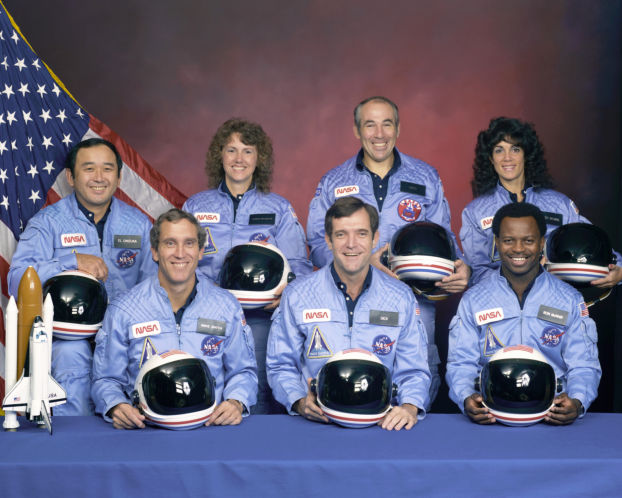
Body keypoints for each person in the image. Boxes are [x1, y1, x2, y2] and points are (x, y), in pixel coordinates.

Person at [306, 96, 468, 406]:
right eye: (370, 125)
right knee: (355, 387)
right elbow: (316, 245)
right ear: (357, 130)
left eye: (387, 124)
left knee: (414, 391)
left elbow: (446, 241)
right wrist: (362, 264)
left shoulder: (426, 177)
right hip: (349, 303)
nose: (379, 134)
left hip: (415, 302)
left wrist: (461, 269)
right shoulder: (333, 181)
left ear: (398, 128)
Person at [7, 138, 155, 415]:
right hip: (68, 337)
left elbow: (154, 287)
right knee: (70, 358)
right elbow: (17, 280)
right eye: (89, 169)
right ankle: (72, 449)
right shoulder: (47, 223)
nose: (99, 177)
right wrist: (71, 261)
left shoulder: (138, 224)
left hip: (123, 336)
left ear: (119, 177)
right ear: (71, 178)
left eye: (107, 169)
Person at [267, 197, 431, 430]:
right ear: (329, 240)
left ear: (375, 239)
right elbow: (280, 365)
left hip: (382, 425)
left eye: (362, 234)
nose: (351, 244)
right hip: (317, 424)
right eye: (341, 234)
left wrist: (409, 406)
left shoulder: (400, 297)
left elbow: (414, 370)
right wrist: (299, 401)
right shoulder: (298, 294)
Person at [183, 118, 312, 414]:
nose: (239, 159)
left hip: (261, 321)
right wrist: (208, 291)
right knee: (209, 392)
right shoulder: (195, 207)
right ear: (219, 155)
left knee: (261, 393)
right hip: (207, 317)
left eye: (248, 151)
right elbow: (179, 261)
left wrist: (285, 294)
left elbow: (299, 267)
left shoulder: (278, 208)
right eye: (231, 150)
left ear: (259, 159)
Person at [91, 209, 257, 429]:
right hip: (147, 431)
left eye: (189, 243)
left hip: (211, 428)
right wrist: (115, 405)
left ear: (200, 251)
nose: (180, 253)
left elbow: (244, 371)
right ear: (154, 252)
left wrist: (236, 402)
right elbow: (106, 379)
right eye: (170, 243)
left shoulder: (226, 306)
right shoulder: (124, 309)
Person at [446, 202, 601, 425]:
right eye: (508, 240)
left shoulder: (569, 299)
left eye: (528, 240)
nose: (518, 249)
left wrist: (577, 400)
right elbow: (461, 363)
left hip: (551, 415)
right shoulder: (474, 299)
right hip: (492, 415)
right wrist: (465, 397)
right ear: (497, 243)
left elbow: (584, 365)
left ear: (542, 243)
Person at [461, 116, 622, 287]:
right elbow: (476, 272)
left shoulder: (559, 204)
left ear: (526, 154)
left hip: (554, 301)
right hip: (501, 306)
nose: (507, 157)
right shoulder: (475, 212)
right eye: (499, 150)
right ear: (491, 158)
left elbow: (592, 244)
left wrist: (619, 269)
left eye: (515, 149)